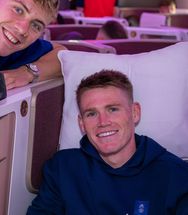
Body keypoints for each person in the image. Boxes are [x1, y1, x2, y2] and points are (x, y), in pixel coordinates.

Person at [27, 69, 188, 214]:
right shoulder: (63, 169)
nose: (103, 122)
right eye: (91, 114)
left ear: (135, 113)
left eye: (112, 109)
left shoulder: (175, 176)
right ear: (82, 123)